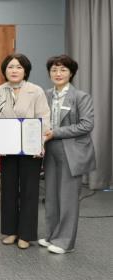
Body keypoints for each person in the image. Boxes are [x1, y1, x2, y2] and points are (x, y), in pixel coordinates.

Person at [0, 53, 50, 250]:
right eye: (10, 67)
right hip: (7, 149)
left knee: (29, 191)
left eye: (18, 67)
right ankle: (11, 231)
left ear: (25, 70)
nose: (14, 70)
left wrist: (40, 144)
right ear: (4, 70)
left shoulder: (36, 91)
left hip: (30, 149)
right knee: (8, 190)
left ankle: (26, 234)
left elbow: (44, 119)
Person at [40, 54, 96, 254]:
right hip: (50, 150)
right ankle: (51, 235)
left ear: (71, 73)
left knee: (68, 198)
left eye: (63, 69)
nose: (58, 73)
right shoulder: (45, 95)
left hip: (71, 151)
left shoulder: (81, 96)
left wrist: (56, 132)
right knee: (51, 195)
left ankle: (65, 242)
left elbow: (86, 125)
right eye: (54, 70)